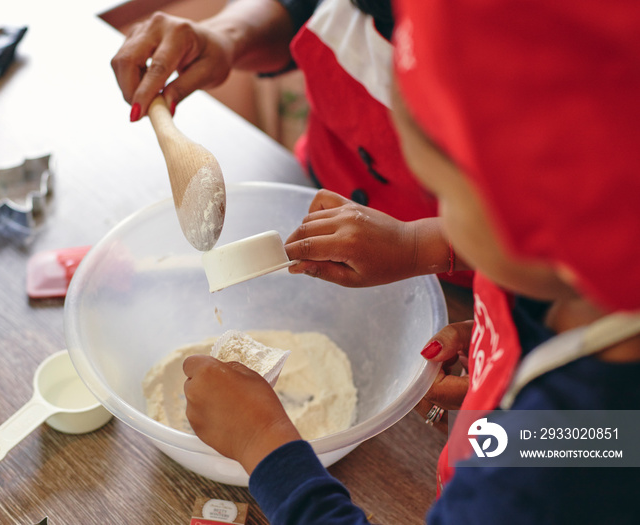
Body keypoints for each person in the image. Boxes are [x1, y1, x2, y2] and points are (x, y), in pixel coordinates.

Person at [182, 1, 640, 523]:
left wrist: (266, 445)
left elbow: (575, 451)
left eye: (441, 193)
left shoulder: (537, 474)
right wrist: (497, 341)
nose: (433, 210)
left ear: (528, 219)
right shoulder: (592, 305)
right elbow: (614, 441)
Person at [110, 0, 471, 287]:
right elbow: (301, 6)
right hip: (314, 189)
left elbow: (524, 216)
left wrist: (416, 246)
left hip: (471, 270)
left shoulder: (501, 43)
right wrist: (224, 36)